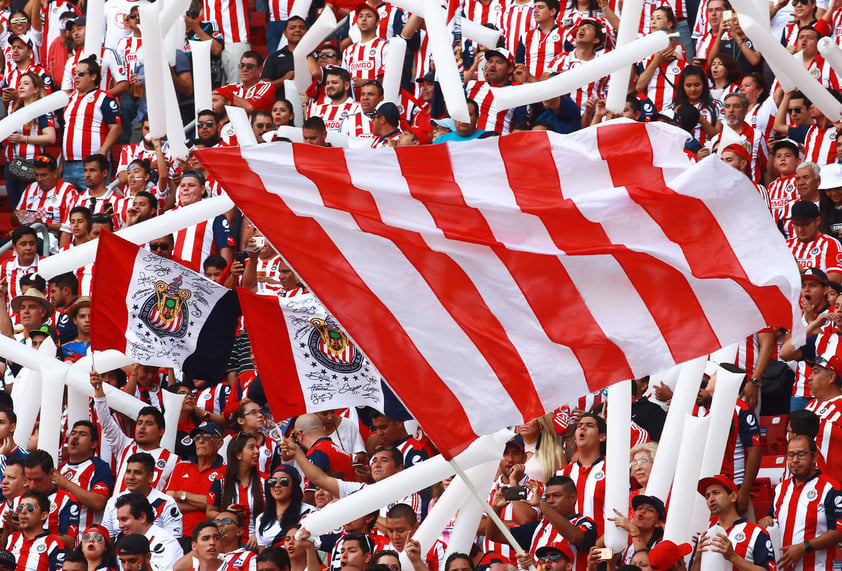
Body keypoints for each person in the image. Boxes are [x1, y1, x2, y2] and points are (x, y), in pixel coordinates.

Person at [757, 434, 842, 570]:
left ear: (814, 457)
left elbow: (839, 531)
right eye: (791, 455)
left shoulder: (830, 488)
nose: (795, 460)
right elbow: (773, 519)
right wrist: (766, 521)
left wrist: (805, 547)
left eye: (801, 454)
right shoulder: (780, 488)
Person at [91, 371, 179, 492]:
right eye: (139, 423)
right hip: (116, 510)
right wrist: (98, 390)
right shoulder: (124, 446)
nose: (142, 427)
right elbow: (106, 422)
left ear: (161, 431)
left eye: (149, 424)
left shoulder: (173, 460)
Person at [487, 475, 597, 570]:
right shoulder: (538, 527)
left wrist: (540, 503)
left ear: (573, 498)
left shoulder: (585, 523)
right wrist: (495, 508)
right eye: (547, 497)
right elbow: (494, 535)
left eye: (556, 495)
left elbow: (574, 537)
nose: (550, 500)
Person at [61, 56, 121, 191]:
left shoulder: (104, 97)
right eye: (74, 74)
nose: (76, 77)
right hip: (68, 164)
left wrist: (102, 153)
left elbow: (116, 127)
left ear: (93, 76)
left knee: (94, 204)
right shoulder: (69, 99)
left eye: (81, 74)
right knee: (69, 206)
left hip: (92, 165)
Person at [691, 474, 774, 571]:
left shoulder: (756, 533)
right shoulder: (704, 536)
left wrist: (733, 557)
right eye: (707, 496)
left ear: (733, 496)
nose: (711, 499)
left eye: (716, 493)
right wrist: (697, 559)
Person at [2, 70, 58, 209]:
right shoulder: (15, 110)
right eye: (20, 83)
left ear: (36, 89)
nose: (20, 86)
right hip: (11, 163)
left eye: (26, 84)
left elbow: (51, 137)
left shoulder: (41, 110)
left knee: (28, 207)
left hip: (30, 162)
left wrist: (23, 139)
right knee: (16, 209)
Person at [101, 452, 182, 540]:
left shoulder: (167, 503)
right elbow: (107, 540)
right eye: (128, 472)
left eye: (137, 473)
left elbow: (173, 541)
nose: (131, 477)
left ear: (150, 477)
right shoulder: (113, 501)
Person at [56, 420, 115, 535]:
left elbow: (98, 502)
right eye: (73, 433)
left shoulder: (99, 467)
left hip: (85, 540)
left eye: (82, 434)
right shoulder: (59, 468)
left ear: (93, 444)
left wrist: (65, 483)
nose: (75, 437)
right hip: (58, 539)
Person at [207, 432, 265, 547]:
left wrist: (259, 534)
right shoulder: (221, 480)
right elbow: (210, 512)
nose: (257, 451)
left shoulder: (265, 480)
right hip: (227, 544)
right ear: (238, 455)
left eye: (257, 447)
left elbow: (275, 512)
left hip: (257, 543)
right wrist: (226, 515)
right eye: (251, 448)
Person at [555, 413, 606, 535]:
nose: (582, 428)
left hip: (599, 548)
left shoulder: (612, 470)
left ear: (602, 437)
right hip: (566, 549)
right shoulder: (562, 473)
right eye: (579, 426)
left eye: (589, 425)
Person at [12, 154, 77, 242]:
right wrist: (17, 215)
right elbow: (13, 221)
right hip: (27, 238)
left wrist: (44, 225)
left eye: (44, 175)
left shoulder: (68, 190)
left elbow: (72, 226)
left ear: (55, 173)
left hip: (52, 240)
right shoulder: (31, 188)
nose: (39, 179)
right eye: (36, 175)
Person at [114, 493, 181, 571]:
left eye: (124, 519)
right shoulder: (124, 541)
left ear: (142, 517)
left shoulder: (166, 542)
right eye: (119, 520)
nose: (120, 525)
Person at [4, 490, 65, 570]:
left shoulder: (53, 543)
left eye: (30, 508)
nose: (23, 511)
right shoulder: (11, 538)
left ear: (43, 515)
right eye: (20, 508)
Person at [255, 465, 311, 549]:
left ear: (294, 485)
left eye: (283, 481)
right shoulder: (261, 519)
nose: (277, 485)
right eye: (273, 481)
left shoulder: (309, 512)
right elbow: (262, 554)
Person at [786, 201, 842, 282]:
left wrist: (804, 272)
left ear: (817, 221)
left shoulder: (830, 243)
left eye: (806, 224)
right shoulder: (786, 245)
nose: (800, 229)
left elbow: (835, 278)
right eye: (796, 224)